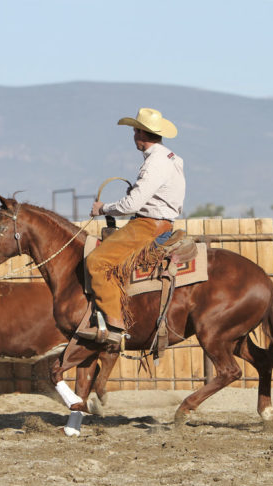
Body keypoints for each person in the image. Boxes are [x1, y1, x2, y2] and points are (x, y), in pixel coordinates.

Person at [87, 107, 185, 336]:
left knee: (96, 262)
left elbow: (131, 206)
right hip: (162, 221)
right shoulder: (172, 158)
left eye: (135, 132)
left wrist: (103, 208)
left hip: (148, 225)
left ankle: (114, 323)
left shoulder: (154, 163)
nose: (134, 137)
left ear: (141, 134)